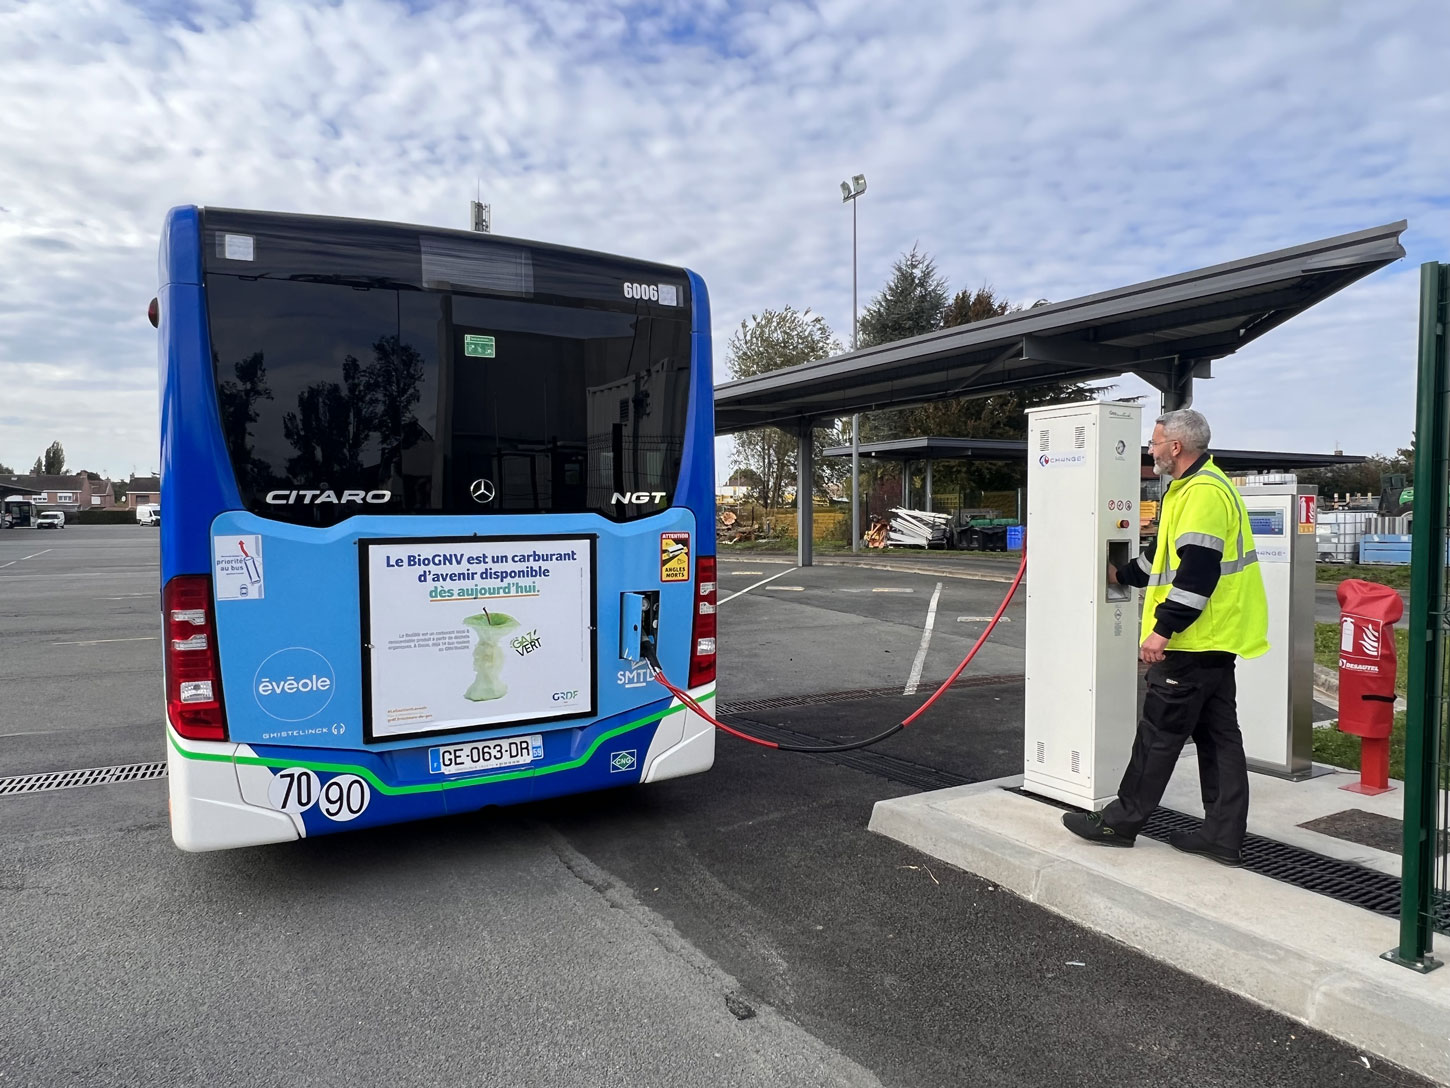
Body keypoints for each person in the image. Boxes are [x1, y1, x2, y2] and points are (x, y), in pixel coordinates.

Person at [1062, 409, 1269, 866]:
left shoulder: (1203, 494)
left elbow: (1197, 573)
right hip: (1215, 640)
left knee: (1158, 735)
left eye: (1155, 442)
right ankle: (1222, 835)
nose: (1150, 449)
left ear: (1176, 446)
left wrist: (1162, 630)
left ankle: (1121, 821)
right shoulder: (1191, 489)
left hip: (1192, 641)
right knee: (1219, 740)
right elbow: (1158, 559)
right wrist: (1116, 571)